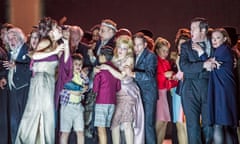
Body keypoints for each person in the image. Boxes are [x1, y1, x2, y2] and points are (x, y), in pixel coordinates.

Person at [15, 17, 72, 144]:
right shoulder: (45, 41)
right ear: (51, 31)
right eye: (56, 28)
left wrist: (66, 43)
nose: (59, 30)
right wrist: (55, 51)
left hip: (49, 81)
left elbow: (65, 62)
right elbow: (35, 56)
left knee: (46, 115)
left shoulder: (54, 44)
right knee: (38, 113)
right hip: (41, 80)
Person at [99, 35, 145, 144]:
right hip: (115, 93)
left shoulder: (129, 59)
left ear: (128, 50)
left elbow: (121, 76)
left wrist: (108, 67)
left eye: (124, 48)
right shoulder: (115, 58)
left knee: (127, 122)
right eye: (119, 47)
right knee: (114, 123)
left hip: (127, 92)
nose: (121, 50)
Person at [179, 17, 213, 144]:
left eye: (193, 28)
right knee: (192, 126)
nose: (190, 31)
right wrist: (203, 65)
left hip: (208, 88)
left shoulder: (214, 43)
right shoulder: (185, 46)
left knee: (209, 125)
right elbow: (184, 66)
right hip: (189, 89)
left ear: (203, 30)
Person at [125, 32, 158, 144]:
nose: (136, 47)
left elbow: (150, 75)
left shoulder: (151, 56)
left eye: (139, 45)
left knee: (148, 124)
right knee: (138, 124)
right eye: (134, 45)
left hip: (148, 94)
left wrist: (133, 74)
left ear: (145, 44)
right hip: (136, 93)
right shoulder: (132, 55)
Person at [207, 28, 238, 144]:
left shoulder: (223, 49)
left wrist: (202, 54)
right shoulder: (224, 50)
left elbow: (210, 65)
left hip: (222, 91)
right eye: (213, 38)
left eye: (218, 38)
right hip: (223, 89)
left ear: (225, 39)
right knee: (226, 125)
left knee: (220, 124)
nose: (214, 40)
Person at [3, 27, 32, 144]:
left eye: (14, 38)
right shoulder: (10, 53)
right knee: (14, 122)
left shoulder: (28, 50)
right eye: (9, 39)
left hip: (24, 89)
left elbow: (31, 67)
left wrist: (16, 66)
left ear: (20, 38)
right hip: (13, 91)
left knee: (24, 122)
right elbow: (7, 68)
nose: (11, 41)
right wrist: (3, 78)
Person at [93, 46, 121, 144]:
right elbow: (118, 88)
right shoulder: (115, 70)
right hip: (112, 102)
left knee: (101, 129)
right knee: (106, 127)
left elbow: (95, 88)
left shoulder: (100, 71)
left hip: (101, 102)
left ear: (103, 56)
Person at [60, 53, 89, 144]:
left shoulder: (81, 76)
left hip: (78, 107)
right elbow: (62, 89)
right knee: (65, 132)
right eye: (75, 64)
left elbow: (86, 85)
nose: (78, 66)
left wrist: (85, 85)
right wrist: (74, 91)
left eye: (80, 64)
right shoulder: (67, 75)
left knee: (80, 131)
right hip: (67, 106)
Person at [154, 37, 177, 144]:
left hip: (165, 94)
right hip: (158, 94)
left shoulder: (166, 62)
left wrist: (174, 78)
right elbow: (154, 77)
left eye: (167, 51)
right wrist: (165, 75)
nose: (165, 53)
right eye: (163, 50)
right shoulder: (155, 61)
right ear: (157, 50)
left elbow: (169, 80)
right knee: (159, 122)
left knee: (164, 123)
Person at [170, 28, 190, 144]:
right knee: (179, 124)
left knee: (185, 124)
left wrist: (175, 76)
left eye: (183, 45)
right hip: (178, 92)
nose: (180, 47)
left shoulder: (189, 58)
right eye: (179, 45)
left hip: (187, 93)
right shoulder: (178, 57)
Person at [0, 23, 13, 144]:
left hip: (8, 90)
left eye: (3, 33)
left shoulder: (8, 51)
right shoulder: (4, 51)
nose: (1, 36)